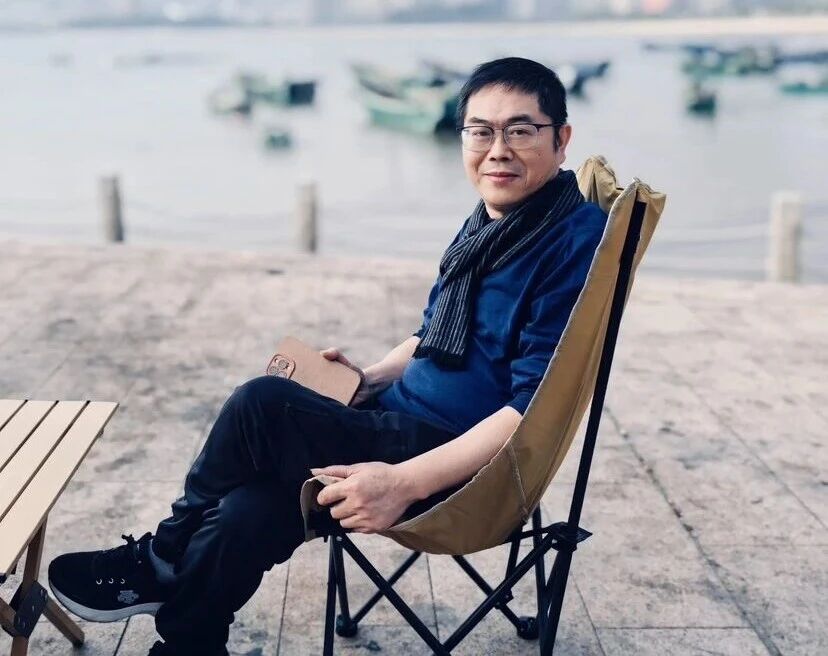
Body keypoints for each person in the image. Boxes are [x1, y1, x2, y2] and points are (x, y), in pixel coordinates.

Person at [48, 57, 607, 656]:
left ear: (561, 139)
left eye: (520, 130)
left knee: (262, 404)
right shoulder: (493, 221)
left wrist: (403, 482)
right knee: (245, 511)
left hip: (453, 459)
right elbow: (431, 334)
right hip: (394, 420)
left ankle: (160, 557)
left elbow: (533, 409)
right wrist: (370, 378)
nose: (498, 150)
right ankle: (190, 644)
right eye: (481, 131)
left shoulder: (572, 239)